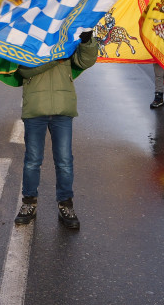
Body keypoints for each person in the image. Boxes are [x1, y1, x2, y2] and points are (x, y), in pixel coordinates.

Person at [11, 31, 99, 230]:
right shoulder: (28, 37)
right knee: (33, 161)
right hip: (35, 108)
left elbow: (86, 61)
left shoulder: (67, 37)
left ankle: (66, 205)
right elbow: (25, 70)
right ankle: (28, 204)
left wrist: (86, 41)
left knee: (65, 161)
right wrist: (57, 57)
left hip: (63, 108)